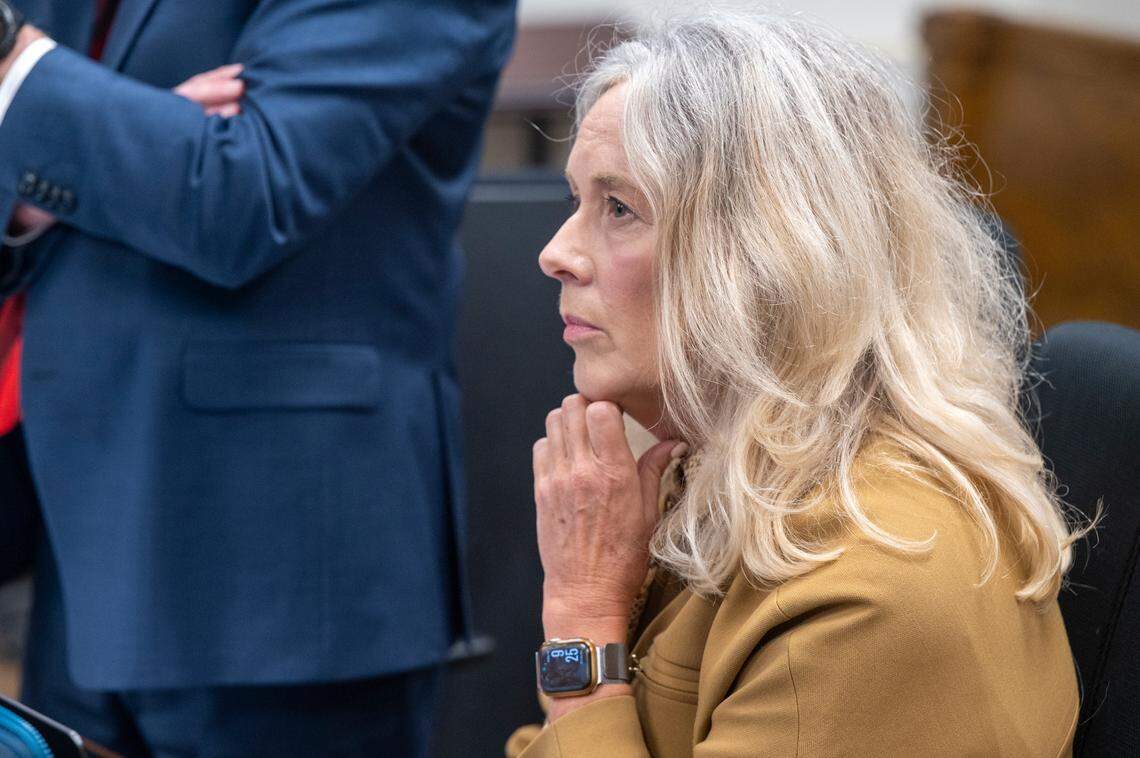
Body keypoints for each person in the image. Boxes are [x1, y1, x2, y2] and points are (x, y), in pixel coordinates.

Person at [508, 11, 1089, 757]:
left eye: (619, 208)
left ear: (767, 258)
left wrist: (582, 616)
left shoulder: (874, 589)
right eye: (576, 202)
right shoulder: (714, 462)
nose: (556, 253)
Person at [0, 0, 515, 754]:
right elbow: (53, 146)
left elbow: (241, 193)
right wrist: (86, 152)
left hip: (280, 585)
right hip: (79, 555)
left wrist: (20, 68)